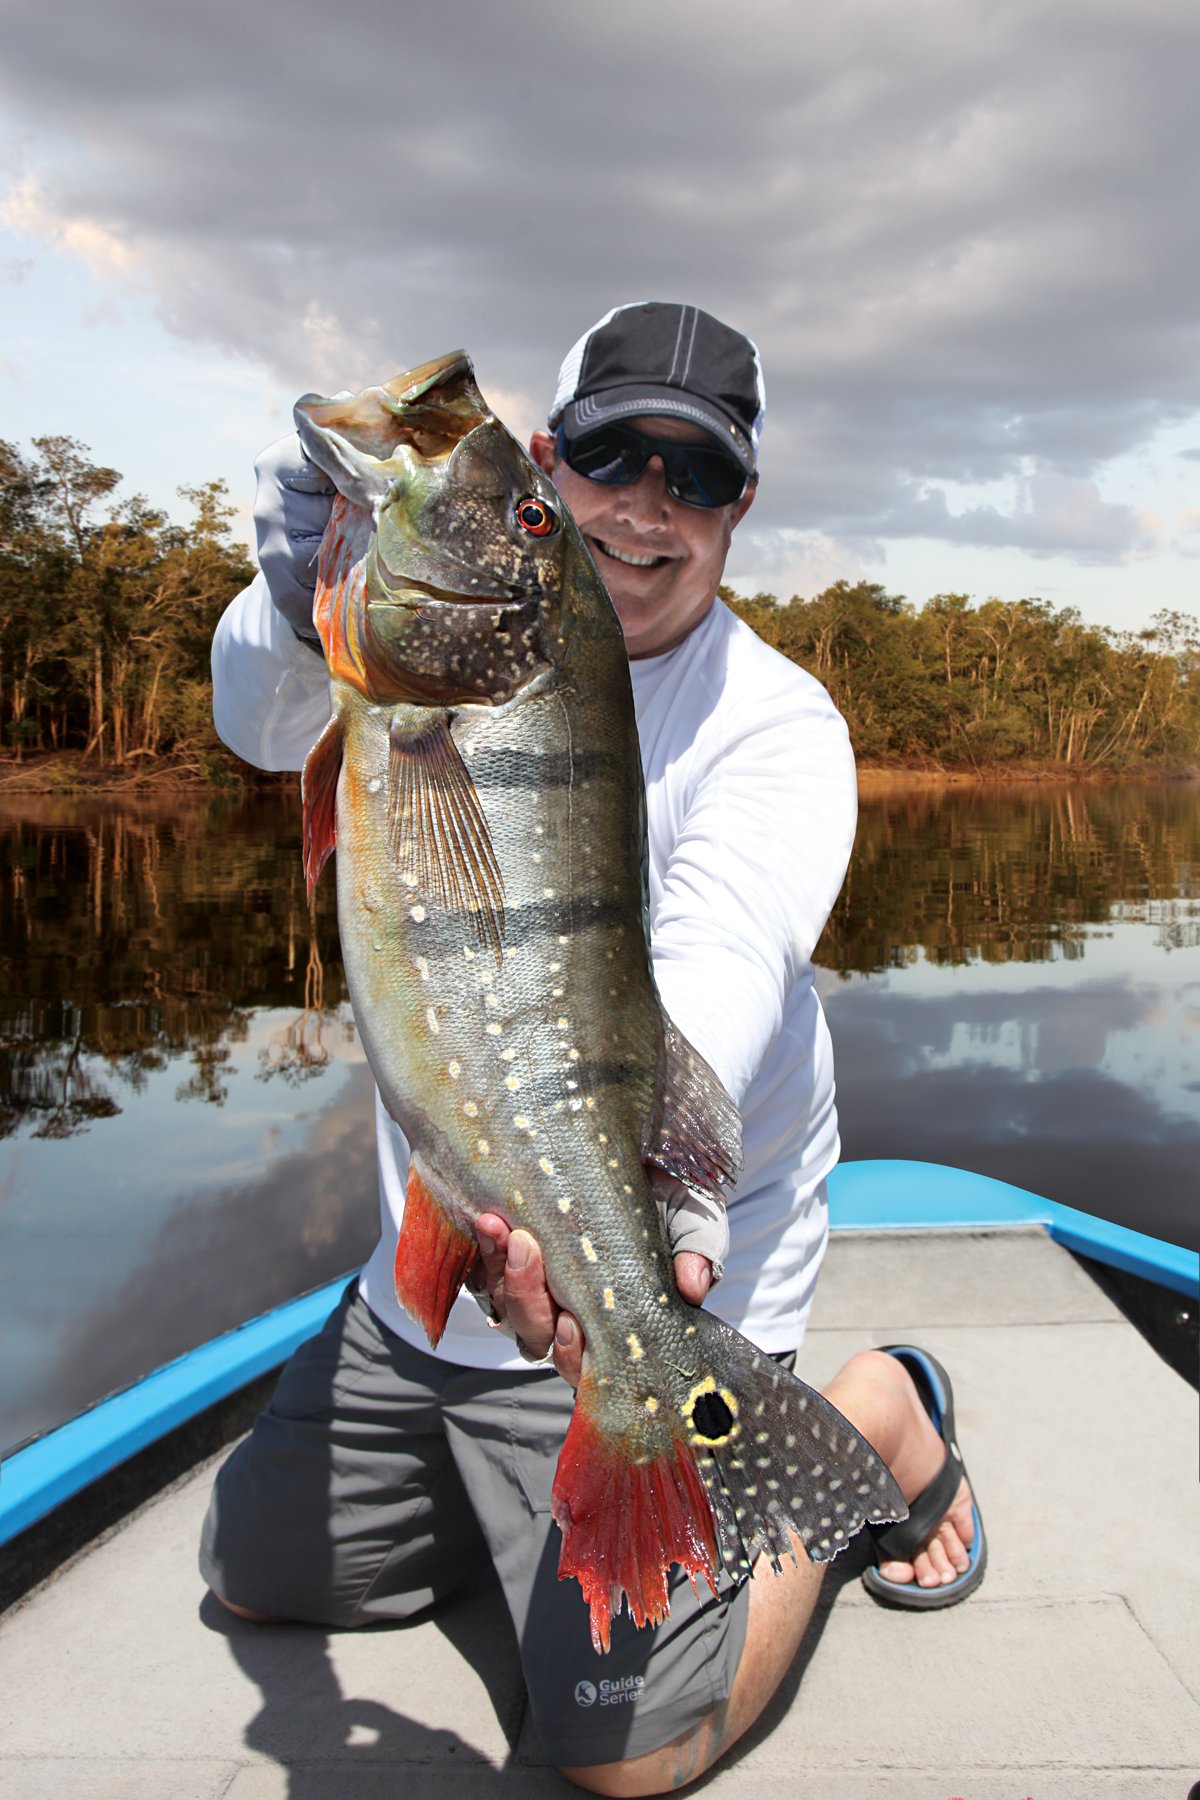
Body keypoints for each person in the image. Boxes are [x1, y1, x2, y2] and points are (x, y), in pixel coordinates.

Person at [201, 301, 983, 1796]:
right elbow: (257, 720)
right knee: (255, 1573)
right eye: (612, 458)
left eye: (699, 475)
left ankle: (874, 1413)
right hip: (434, 1275)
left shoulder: (780, 725)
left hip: (645, 1275)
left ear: (739, 508)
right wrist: (294, 593)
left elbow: (714, 969)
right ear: (552, 461)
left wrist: (627, 1239)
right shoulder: (413, 662)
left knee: (630, 1754)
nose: (645, 507)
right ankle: (499, 1503)